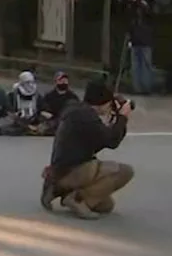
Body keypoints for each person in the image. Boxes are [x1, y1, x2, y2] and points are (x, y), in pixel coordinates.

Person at [42, 81, 134, 219]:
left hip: (61, 169)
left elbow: (99, 141)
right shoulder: (87, 116)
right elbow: (112, 141)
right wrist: (122, 117)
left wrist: (115, 121)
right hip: (74, 169)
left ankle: (58, 189)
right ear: (103, 102)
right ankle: (77, 199)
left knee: (106, 205)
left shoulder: (75, 110)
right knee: (125, 171)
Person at [36, 71, 82, 136]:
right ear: (56, 82)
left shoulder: (72, 96)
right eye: (61, 80)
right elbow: (43, 108)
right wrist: (45, 112)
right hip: (52, 119)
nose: (63, 82)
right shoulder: (49, 96)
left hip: (66, 120)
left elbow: (78, 110)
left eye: (65, 81)